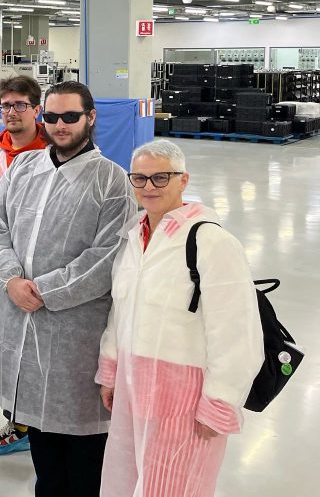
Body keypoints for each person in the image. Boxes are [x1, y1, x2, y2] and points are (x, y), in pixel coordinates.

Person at [0, 81, 137, 497]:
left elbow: (106, 257)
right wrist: (11, 279)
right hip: (21, 325)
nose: (60, 125)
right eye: (52, 117)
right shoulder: (22, 168)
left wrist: (42, 291)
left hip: (75, 336)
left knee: (83, 453)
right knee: (44, 454)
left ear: (90, 117)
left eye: (70, 116)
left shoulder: (111, 180)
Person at [98, 140, 263, 497]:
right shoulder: (133, 237)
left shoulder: (211, 242)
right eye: (139, 178)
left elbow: (237, 333)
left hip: (184, 401)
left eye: (161, 178)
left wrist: (220, 402)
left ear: (183, 180)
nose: (149, 187)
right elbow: (119, 311)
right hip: (132, 388)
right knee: (124, 481)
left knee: (175, 487)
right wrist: (110, 371)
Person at [0, 74, 48, 458]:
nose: (12, 112)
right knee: (9, 350)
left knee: (43, 354)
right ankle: (19, 423)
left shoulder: (56, 154)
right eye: (6, 105)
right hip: (3, 274)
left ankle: (45, 428)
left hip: (44, 276)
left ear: (36, 109)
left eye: (21, 104)